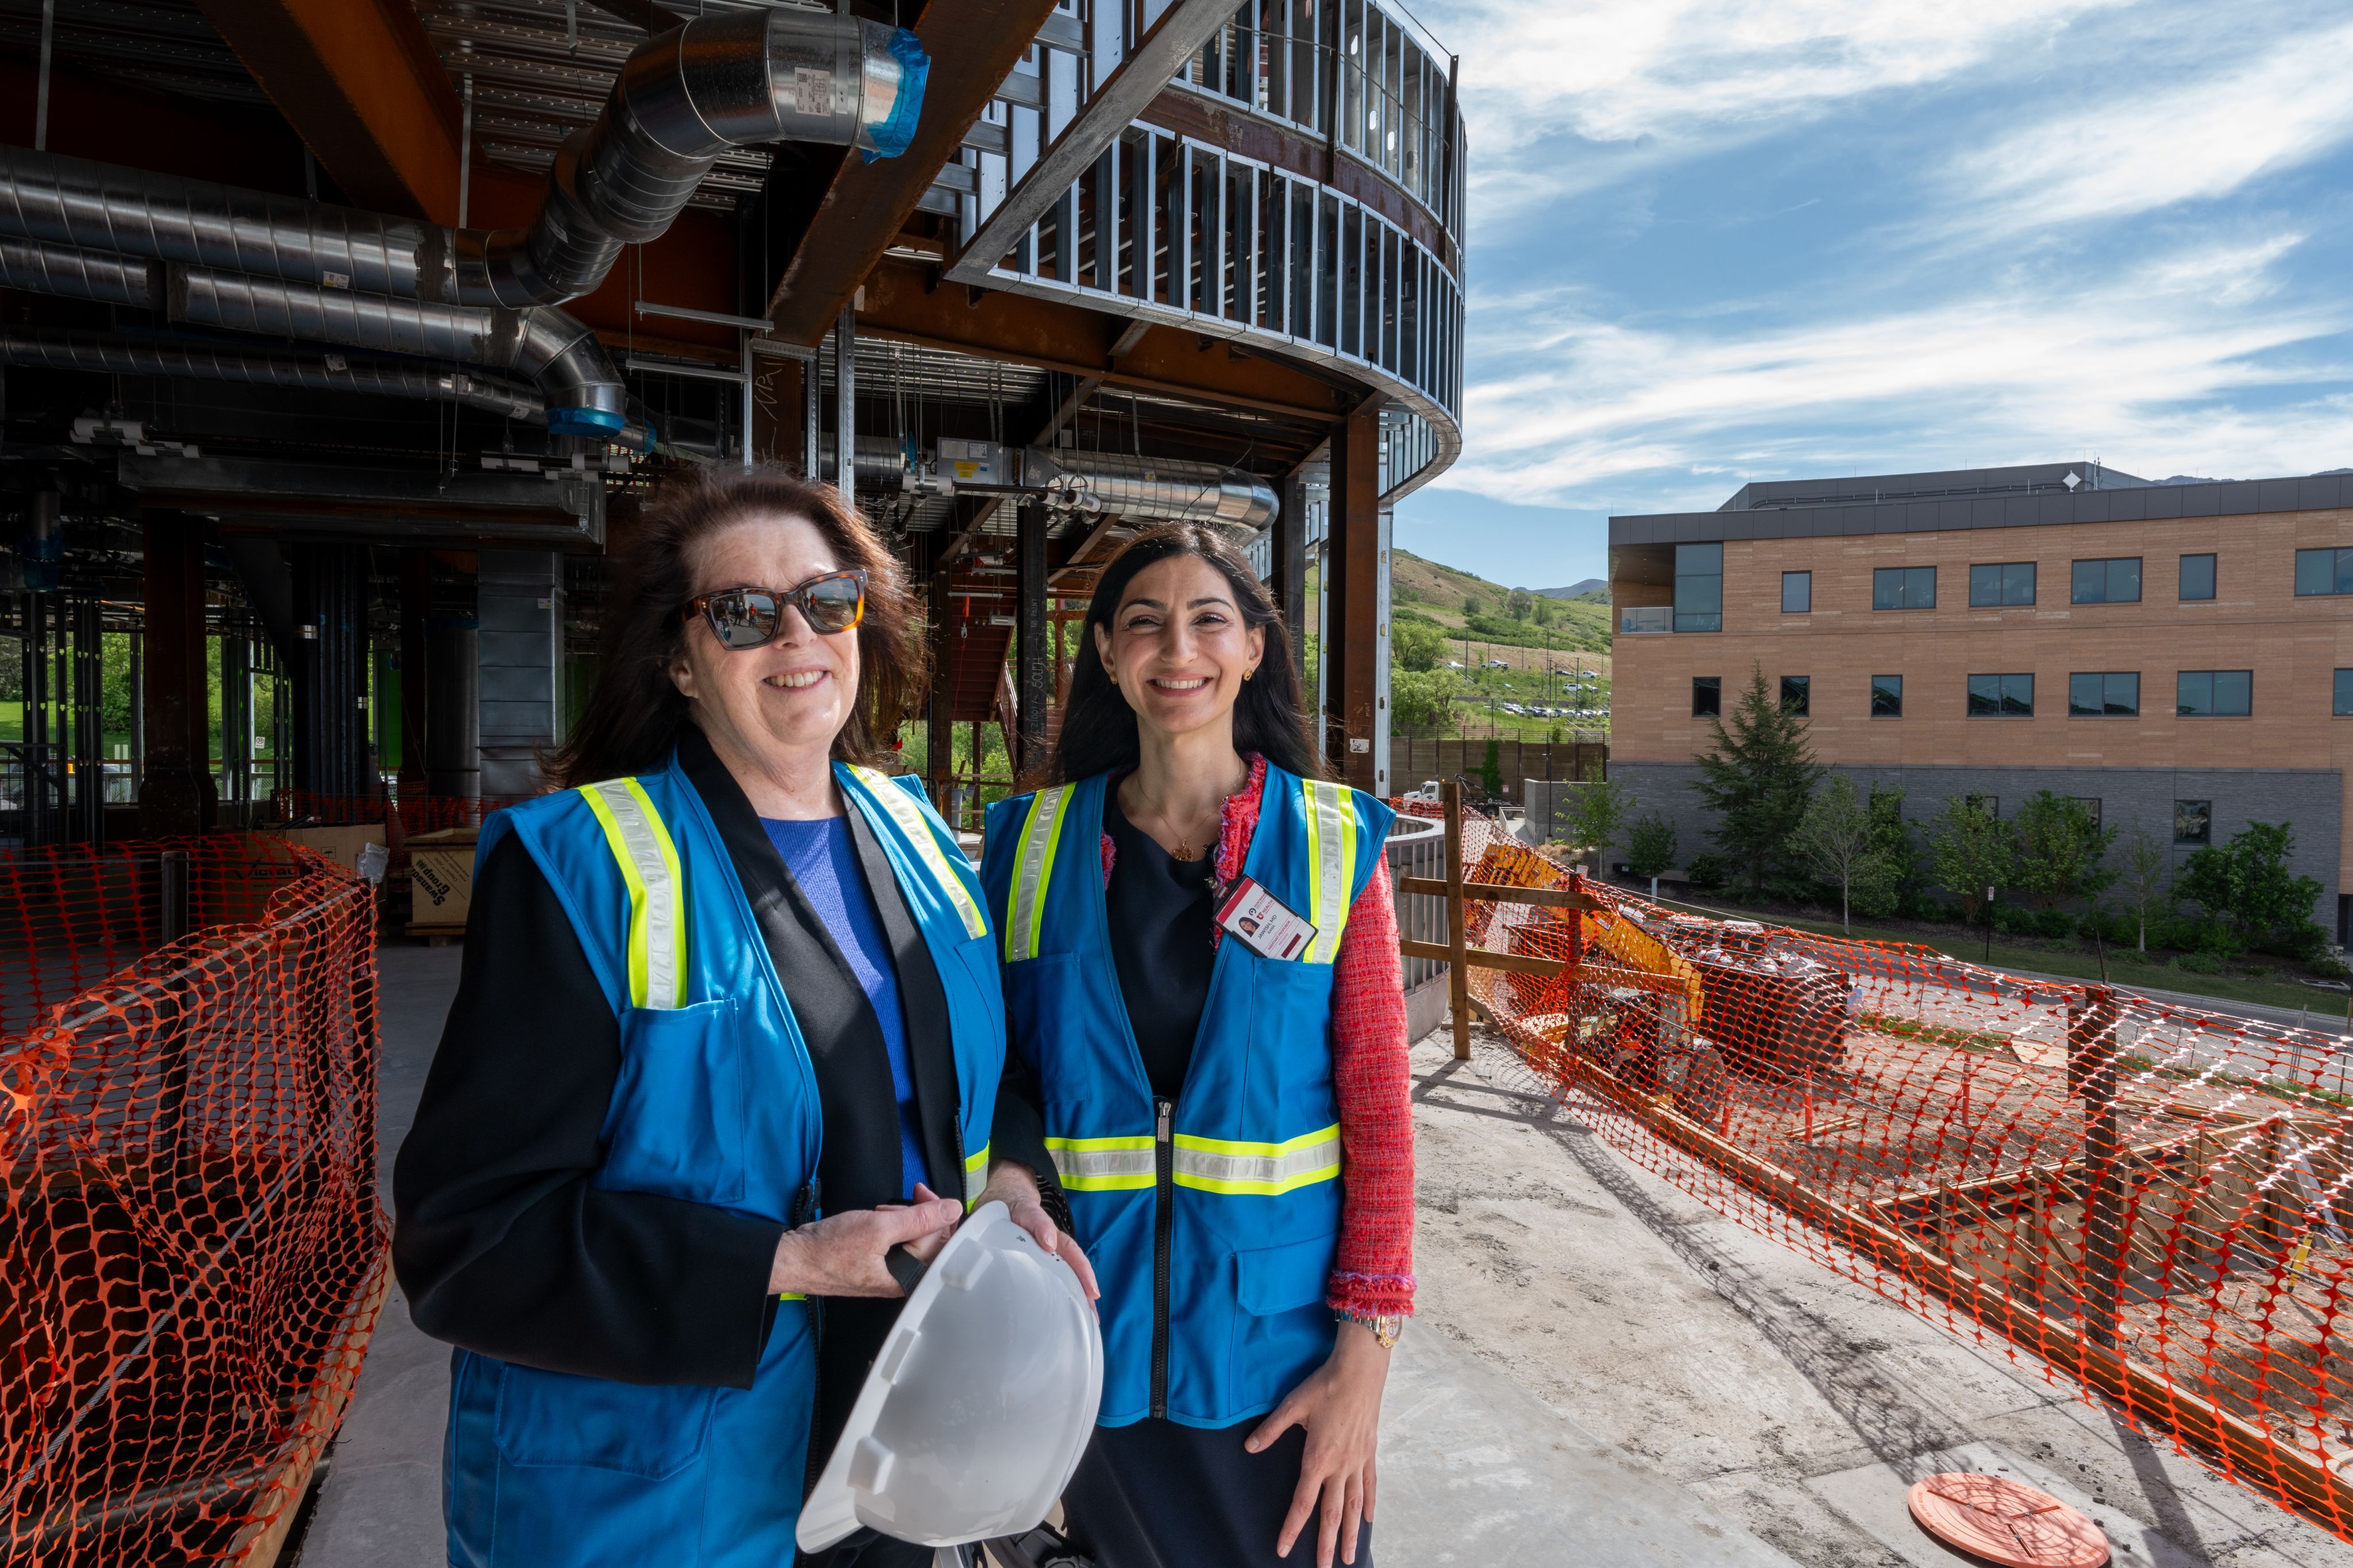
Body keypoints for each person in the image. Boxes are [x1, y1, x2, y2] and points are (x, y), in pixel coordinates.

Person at [393, 467, 1092, 1568]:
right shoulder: (579, 867)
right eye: (744, 613)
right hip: (670, 1503)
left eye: (827, 598)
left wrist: (1010, 1184)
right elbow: (468, 1241)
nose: (796, 635)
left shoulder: (908, 826)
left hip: (890, 1460)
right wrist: (789, 1259)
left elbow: (975, 1070)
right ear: (679, 659)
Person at [981, 525, 1414, 1568]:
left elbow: (1380, 1115)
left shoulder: (1330, 844)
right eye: (1145, 622)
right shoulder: (1029, 849)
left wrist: (1367, 1359)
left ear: (1255, 648)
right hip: (1084, 1352)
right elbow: (995, 1072)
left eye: (1209, 618)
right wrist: (1004, 1172)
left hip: (1277, 1372)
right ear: (1104, 652)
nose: (1179, 648)